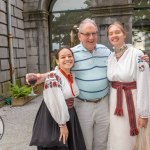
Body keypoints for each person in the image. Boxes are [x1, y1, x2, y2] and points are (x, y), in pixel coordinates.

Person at [27, 47, 86, 150]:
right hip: (55, 116)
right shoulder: (53, 77)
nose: (67, 59)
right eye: (63, 57)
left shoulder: (71, 75)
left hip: (69, 114)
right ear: (57, 61)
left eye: (70, 56)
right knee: (58, 145)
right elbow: (54, 101)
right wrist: (62, 124)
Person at [107, 21, 150, 150]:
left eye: (117, 32)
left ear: (124, 34)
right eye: (111, 33)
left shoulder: (137, 55)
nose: (114, 35)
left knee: (132, 139)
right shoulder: (110, 57)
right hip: (115, 105)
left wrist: (144, 114)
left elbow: (144, 84)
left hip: (133, 102)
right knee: (117, 137)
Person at [71, 18, 111, 150]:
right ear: (79, 36)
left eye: (94, 33)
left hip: (104, 104)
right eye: (87, 34)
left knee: (102, 143)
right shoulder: (72, 54)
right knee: (85, 143)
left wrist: (139, 57)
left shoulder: (105, 50)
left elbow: (120, 61)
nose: (91, 37)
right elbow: (59, 73)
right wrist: (40, 77)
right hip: (83, 105)